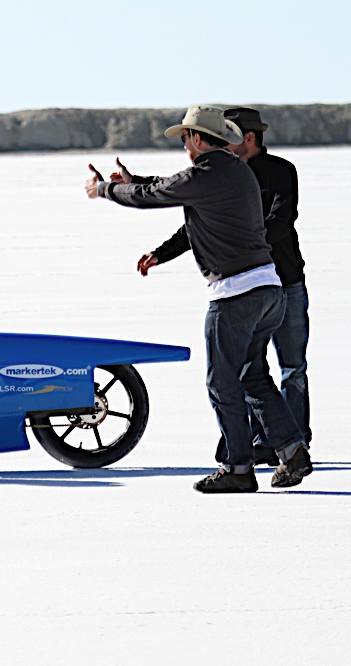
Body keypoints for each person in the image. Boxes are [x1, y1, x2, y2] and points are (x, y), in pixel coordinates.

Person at [84, 105, 310, 493]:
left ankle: (238, 469)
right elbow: (172, 185)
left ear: (200, 139)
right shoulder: (234, 170)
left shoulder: (209, 172)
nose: (184, 145)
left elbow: (153, 195)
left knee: (222, 383)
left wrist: (104, 189)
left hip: (235, 294)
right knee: (252, 375)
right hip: (268, 290)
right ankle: (293, 451)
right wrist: (132, 180)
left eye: (186, 138)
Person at [223, 108, 310, 464]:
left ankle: (297, 440)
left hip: (286, 283)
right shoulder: (226, 175)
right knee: (250, 369)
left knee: (292, 367)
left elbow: (279, 221)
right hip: (248, 287)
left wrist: (241, 242)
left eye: (228, 136)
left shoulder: (282, 172)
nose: (222, 144)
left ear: (249, 138)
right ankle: (266, 440)